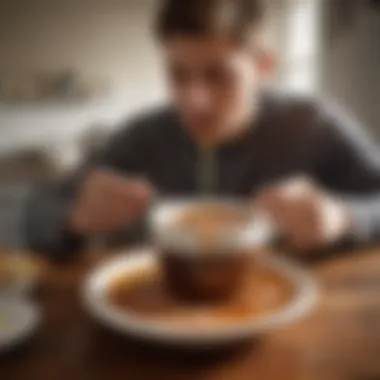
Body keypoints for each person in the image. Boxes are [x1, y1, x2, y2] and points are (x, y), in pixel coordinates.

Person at [25, 0, 380, 257]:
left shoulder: (312, 124)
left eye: (219, 76)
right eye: (177, 75)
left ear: (262, 66)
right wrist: (71, 218)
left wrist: (343, 217)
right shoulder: (143, 136)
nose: (193, 101)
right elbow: (34, 210)